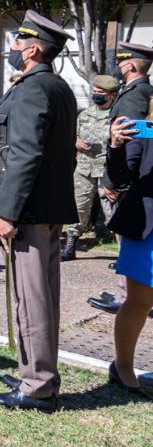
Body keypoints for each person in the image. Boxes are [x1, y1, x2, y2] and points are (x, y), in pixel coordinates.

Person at [0, 10, 78, 413]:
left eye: (18, 43)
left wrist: (8, 210)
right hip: (41, 209)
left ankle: (37, 385)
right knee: (37, 296)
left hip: (29, 212)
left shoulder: (35, 89)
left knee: (32, 298)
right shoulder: (56, 87)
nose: (13, 49)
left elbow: (24, 154)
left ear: (33, 48)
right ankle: (32, 371)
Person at [90, 42, 153, 314]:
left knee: (130, 243)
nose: (119, 67)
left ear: (129, 65)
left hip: (130, 179)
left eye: (121, 62)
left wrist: (116, 181)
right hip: (127, 173)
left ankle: (128, 295)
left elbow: (134, 141)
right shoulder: (134, 92)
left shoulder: (136, 95)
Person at [105, 110, 153, 397]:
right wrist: (116, 145)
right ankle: (123, 366)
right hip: (148, 225)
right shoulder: (143, 132)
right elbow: (121, 176)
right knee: (140, 302)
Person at [61, 74, 119, 261]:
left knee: (113, 212)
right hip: (84, 169)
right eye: (94, 92)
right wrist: (75, 142)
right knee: (79, 208)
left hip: (106, 170)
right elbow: (72, 136)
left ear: (111, 95)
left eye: (100, 93)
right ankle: (70, 247)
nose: (96, 95)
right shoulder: (85, 114)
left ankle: (123, 255)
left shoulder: (117, 116)